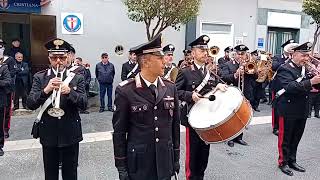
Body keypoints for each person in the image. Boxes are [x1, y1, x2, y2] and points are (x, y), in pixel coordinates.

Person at [112, 33, 180, 180]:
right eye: (160, 58)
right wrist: (121, 166)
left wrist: (175, 157)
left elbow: (175, 126)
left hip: (165, 161)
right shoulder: (126, 91)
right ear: (146, 62)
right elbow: (119, 133)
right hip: (139, 164)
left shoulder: (170, 88)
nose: (165, 61)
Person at [26, 38, 87, 180]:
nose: (58, 61)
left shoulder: (77, 78)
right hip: (49, 133)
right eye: (54, 57)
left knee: (70, 174)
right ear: (49, 58)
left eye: (62, 57)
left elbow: (84, 104)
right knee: (50, 174)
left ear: (68, 57)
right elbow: (30, 103)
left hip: (70, 132)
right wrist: (46, 90)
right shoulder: (40, 77)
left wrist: (70, 92)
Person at [175, 35, 227, 180]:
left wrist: (218, 86)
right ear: (193, 53)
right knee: (193, 153)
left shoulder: (210, 72)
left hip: (207, 118)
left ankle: (200, 176)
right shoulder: (185, 71)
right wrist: (189, 95)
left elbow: (211, 91)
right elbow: (175, 92)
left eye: (206, 50)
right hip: (192, 119)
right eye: (201, 50)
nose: (205, 53)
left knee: (205, 152)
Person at [274, 42, 320, 176]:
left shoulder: (305, 68)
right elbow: (290, 87)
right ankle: (283, 162)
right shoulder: (285, 68)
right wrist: (311, 82)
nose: (306, 58)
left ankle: (292, 160)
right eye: (303, 55)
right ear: (293, 54)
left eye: (308, 56)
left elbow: (313, 88)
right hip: (288, 109)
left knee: (296, 137)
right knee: (286, 138)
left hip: (302, 109)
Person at [220, 44, 254, 147]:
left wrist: (251, 70)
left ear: (245, 54)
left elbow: (256, 76)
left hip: (245, 93)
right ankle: (230, 137)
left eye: (242, 54)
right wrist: (235, 74)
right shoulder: (228, 64)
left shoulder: (249, 64)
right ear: (235, 54)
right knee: (231, 116)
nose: (240, 56)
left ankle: (239, 137)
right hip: (232, 94)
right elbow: (224, 77)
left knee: (242, 115)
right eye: (238, 54)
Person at [271, 40, 298, 136]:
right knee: (276, 107)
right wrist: (287, 60)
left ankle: (286, 125)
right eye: (290, 47)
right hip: (278, 86)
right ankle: (275, 127)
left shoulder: (296, 58)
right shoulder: (278, 57)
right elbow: (274, 67)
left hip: (290, 86)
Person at [0, 38, 18, 139]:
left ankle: (5, 129)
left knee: (6, 111)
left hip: (7, 89)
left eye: (1, 46)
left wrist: (2, 75)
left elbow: (13, 72)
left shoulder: (9, 59)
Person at [0, 47, 12, 156]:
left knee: (0, 124)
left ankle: (0, 146)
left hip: (0, 100)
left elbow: (8, 81)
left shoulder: (3, 68)